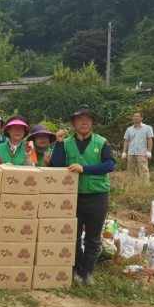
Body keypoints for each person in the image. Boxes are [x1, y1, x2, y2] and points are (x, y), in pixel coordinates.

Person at [51, 105, 115, 285]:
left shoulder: (101, 142)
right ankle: (76, 270)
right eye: (80, 119)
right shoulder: (67, 143)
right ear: (73, 123)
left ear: (93, 122)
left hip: (97, 196)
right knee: (73, 236)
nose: (84, 122)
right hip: (73, 197)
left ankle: (87, 273)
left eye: (88, 119)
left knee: (93, 238)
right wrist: (58, 142)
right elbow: (57, 165)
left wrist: (84, 169)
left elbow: (109, 165)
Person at [122, 111, 154, 183]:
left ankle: (145, 186)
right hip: (131, 152)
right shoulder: (129, 129)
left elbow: (150, 140)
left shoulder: (147, 128)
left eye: (137, 116)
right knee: (131, 171)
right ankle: (133, 185)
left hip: (142, 153)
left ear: (141, 118)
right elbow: (126, 141)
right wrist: (124, 152)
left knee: (144, 170)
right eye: (134, 116)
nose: (135, 117)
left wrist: (149, 151)